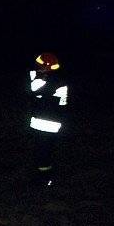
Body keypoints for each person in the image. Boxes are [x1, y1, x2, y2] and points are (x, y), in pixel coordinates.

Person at [27, 52, 68, 186]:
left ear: (45, 67)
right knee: (43, 153)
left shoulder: (52, 81)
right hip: (46, 122)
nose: (36, 67)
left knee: (43, 153)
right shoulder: (56, 79)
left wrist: (37, 76)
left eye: (39, 65)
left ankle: (44, 180)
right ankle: (43, 178)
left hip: (47, 123)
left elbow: (33, 90)